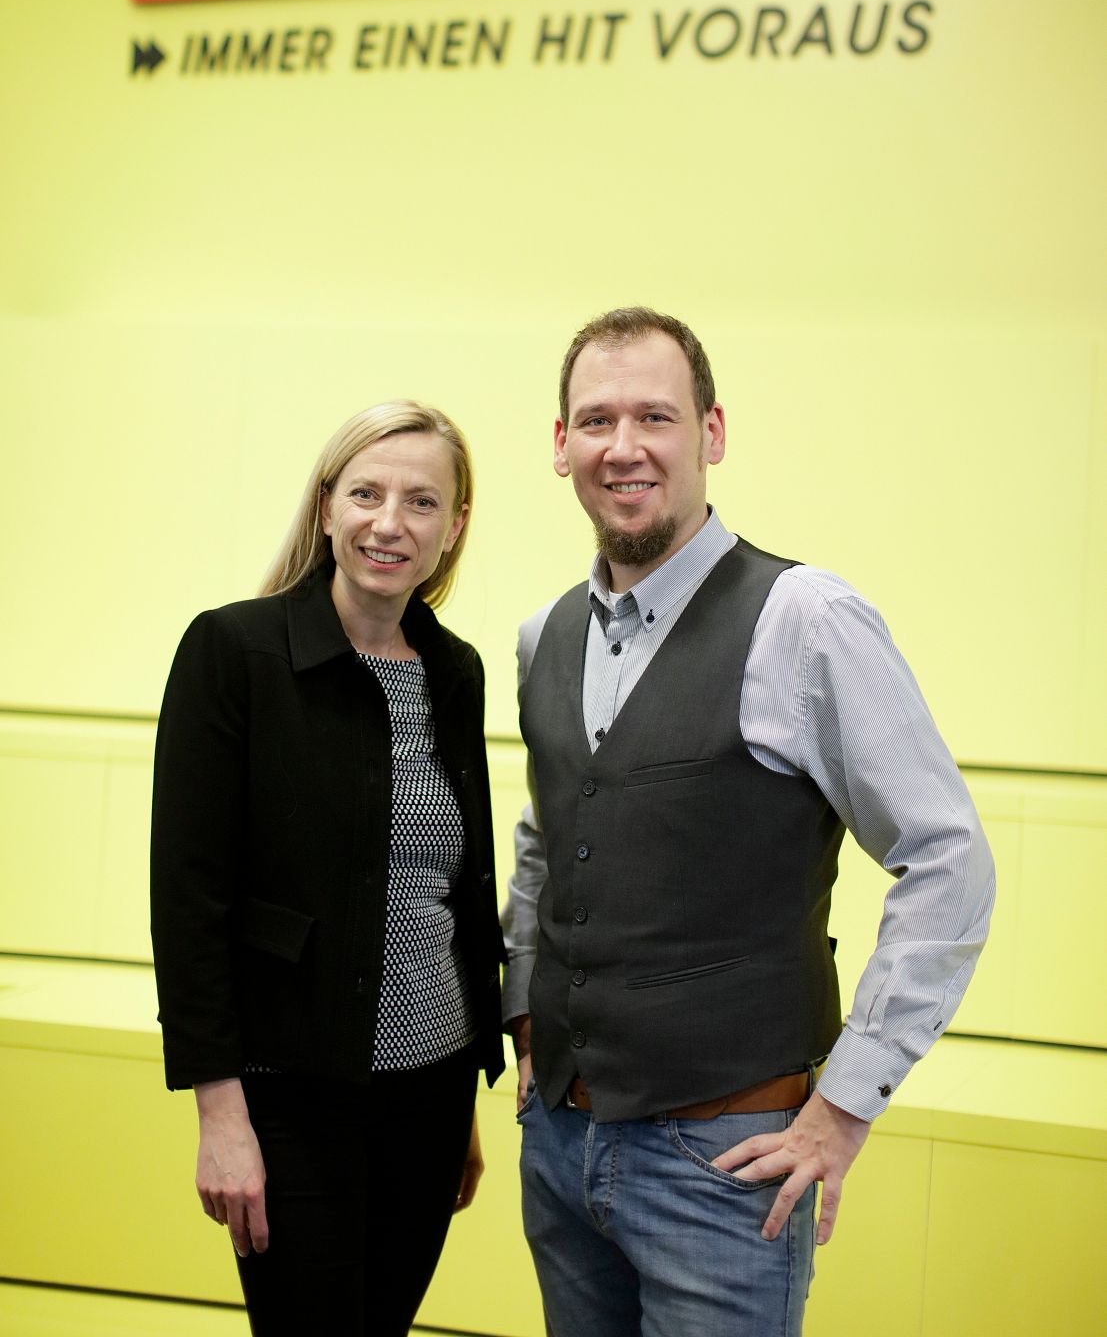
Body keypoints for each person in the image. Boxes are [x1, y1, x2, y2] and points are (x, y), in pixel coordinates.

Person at [502, 307, 995, 1337]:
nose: (624, 446)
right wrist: (525, 1013)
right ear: (560, 443)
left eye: (656, 416)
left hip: (723, 1167)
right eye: (596, 419)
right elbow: (551, 838)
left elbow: (947, 858)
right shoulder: (543, 635)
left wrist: (844, 1105)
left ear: (711, 433)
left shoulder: (805, 619)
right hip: (557, 1145)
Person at [151, 401, 505, 1337]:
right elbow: (187, 901)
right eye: (366, 494)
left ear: (453, 526)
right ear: (325, 507)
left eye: (421, 501)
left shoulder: (454, 671)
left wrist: (465, 1100)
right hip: (291, 1096)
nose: (390, 523)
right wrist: (220, 1116)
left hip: (432, 1097)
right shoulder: (234, 652)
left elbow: (449, 897)